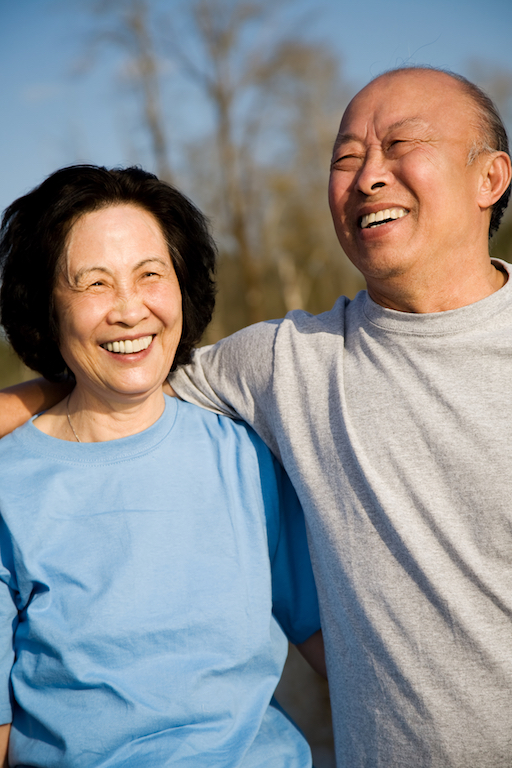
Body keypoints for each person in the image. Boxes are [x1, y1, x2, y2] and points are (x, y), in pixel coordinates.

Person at [2, 65, 512, 767]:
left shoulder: (245, 429)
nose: (368, 176)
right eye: (346, 157)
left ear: (492, 177)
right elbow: (131, 371)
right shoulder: (284, 363)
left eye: (401, 144)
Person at [0, 165, 324, 768]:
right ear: (47, 307)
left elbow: (332, 643)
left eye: (151, 275)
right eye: (94, 284)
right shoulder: (10, 488)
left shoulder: (246, 454)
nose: (129, 310)